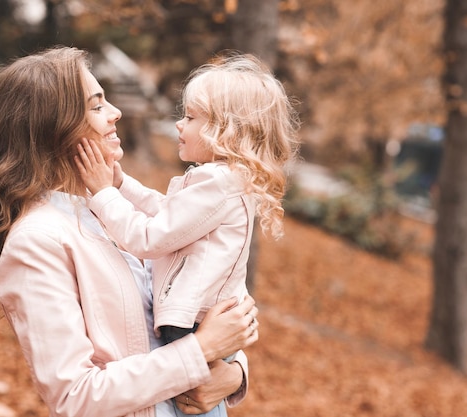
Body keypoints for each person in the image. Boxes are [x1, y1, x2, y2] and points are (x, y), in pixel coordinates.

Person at [0, 46, 259, 417]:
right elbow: (74, 397)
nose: (116, 114)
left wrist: (235, 373)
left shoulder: (110, 210)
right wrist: (201, 351)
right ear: (52, 130)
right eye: (97, 106)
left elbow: (182, 312)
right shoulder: (37, 241)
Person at [75, 53, 299, 416]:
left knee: (193, 405)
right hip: (199, 322)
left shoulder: (218, 183)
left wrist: (103, 194)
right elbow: (170, 212)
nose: (179, 125)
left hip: (193, 325)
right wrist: (121, 184)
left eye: (191, 118)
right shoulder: (220, 182)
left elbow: (148, 238)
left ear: (224, 130)